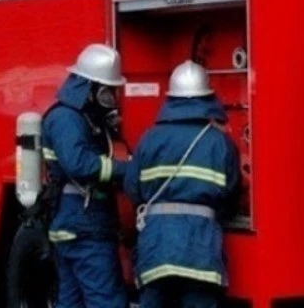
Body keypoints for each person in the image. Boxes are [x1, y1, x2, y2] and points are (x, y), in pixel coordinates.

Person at [124, 60, 241, 308]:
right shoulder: (220, 143)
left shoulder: (149, 138)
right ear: (208, 98)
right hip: (200, 247)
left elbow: (132, 189)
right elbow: (232, 193)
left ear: (171, 99)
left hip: (155, 244)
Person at [41, 43, 129, 308]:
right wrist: (125, 169)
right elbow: (79, 164)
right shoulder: (67, 119)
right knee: (105, 301)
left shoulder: (80, 118)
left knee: (71, 302)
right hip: (84, 227)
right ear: (90, 88)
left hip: (75, 224)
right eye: (107, 90)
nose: (112, 97)